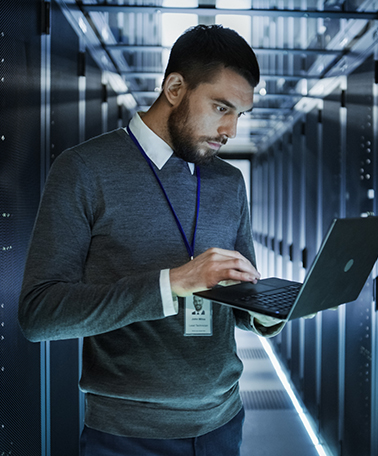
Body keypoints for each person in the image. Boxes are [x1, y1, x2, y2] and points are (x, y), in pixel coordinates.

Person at [18, 24, 284, 455]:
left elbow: (236, 298)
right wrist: (172, 283)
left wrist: (270, 312)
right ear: (175, 88)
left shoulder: (229, 182)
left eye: (240, 114)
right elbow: (39, 314)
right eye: (221, 107)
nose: (231, 130)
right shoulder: (84, 170)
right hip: (127, 436)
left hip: (224, 422)